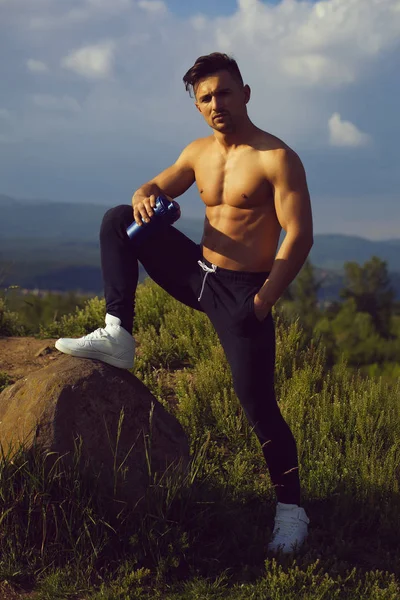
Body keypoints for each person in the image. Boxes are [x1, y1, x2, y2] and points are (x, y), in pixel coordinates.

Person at [55, 52, 313, 554]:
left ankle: (290, 510)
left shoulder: (276, 158)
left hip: (244, 294)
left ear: (246, 93)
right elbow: (154, 185)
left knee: (259, 407)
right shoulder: (199, 152)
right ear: (198, 106)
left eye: (224, 92)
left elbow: (298, 236)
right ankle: (117, 333)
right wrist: (144, 194)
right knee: (116, 220)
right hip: (198, 273)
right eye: (206, 97)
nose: (217, 103)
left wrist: (263, 301)